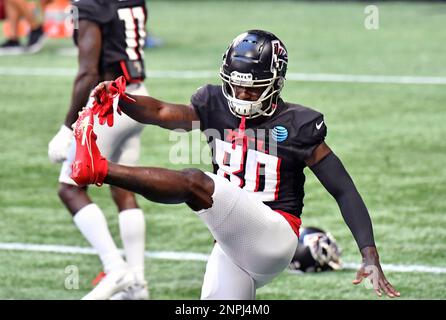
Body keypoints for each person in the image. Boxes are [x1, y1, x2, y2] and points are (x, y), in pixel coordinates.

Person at [73, 30, 400, 299]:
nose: (242, 94)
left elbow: (343, 189)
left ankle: (98, 169)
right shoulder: (214, 103)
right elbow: (162, 113)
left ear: (276, 82)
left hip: (275, 235)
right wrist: (121, 100)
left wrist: (369, 253)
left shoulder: (298, 123)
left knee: (195, 183)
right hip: (232, 244)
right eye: (236, 84)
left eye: (252, 87)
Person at [47, 0, 150, 300]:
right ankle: (138, 284)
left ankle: (115, 268)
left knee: (70, 188)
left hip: (109, 103)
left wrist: (67, 128)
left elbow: (88, 74)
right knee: (123, 188)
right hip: (137, 96)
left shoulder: (89, 4)